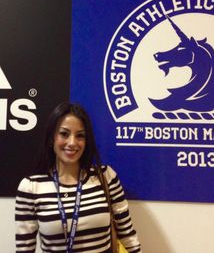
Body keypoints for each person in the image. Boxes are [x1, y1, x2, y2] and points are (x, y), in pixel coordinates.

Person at [15, 102, 142, 253]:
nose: (72, 142)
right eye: (64, 134)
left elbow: (128, 235)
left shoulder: (106, 177)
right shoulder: (31, 187)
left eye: (80, 135)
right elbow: (24, 249)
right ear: (51, 138)